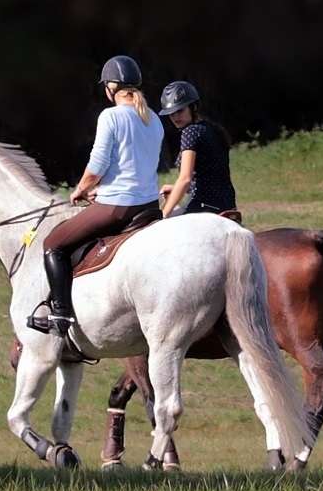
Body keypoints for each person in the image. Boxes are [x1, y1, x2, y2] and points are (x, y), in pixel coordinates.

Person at [30, 55, 164, 338]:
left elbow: (98, 164)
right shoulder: (153, 119)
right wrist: (102, 188)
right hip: (150, 207)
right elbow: (135, 165)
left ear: (110, 88)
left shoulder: (111, 116)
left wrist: (80, 189)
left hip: (118, 208)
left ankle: (60, 315)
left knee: (53, 243)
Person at [156, 80, 237, 218]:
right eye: (171, 114)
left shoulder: (190, 132)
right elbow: (210, 179)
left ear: (193, 107)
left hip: (203, 206)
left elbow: (185, 179)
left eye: (180, 111)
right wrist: (175, 189)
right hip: (229, 206)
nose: (175, 117)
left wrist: (163, 216)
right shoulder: (213, 129)